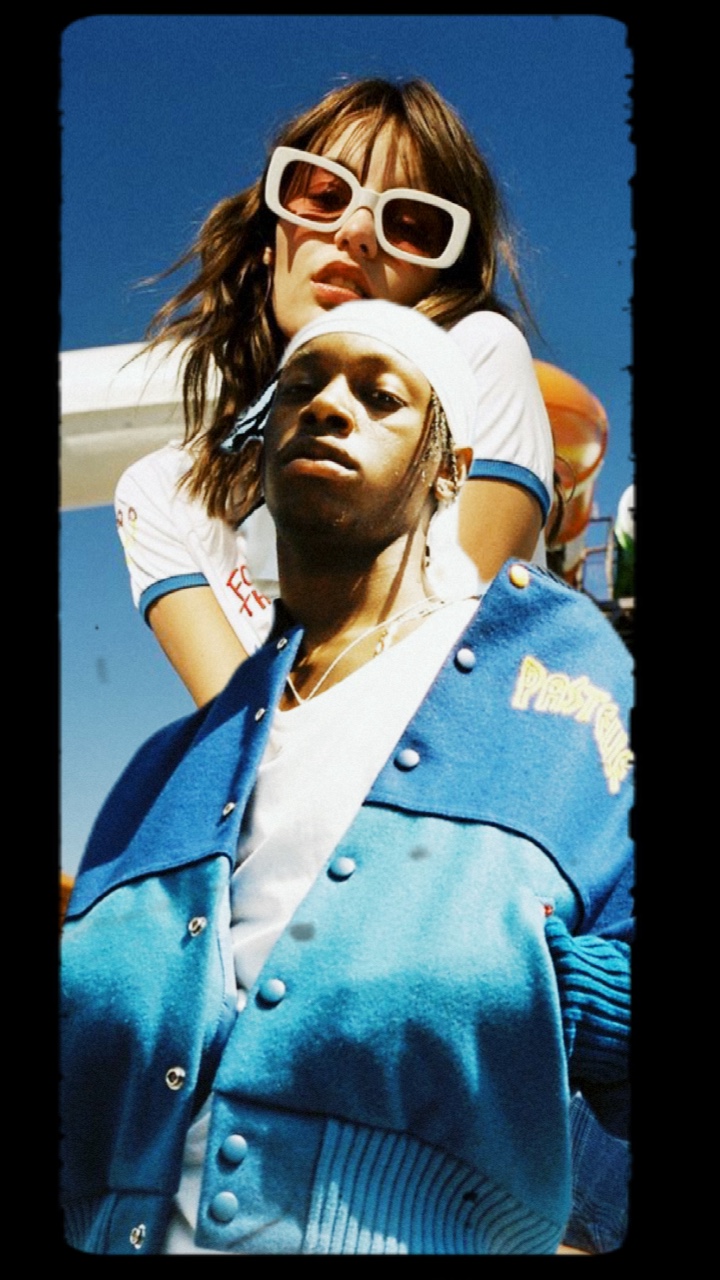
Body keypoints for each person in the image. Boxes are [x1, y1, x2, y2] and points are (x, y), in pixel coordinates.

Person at [62, 300, 632, 1255]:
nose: (329, 407)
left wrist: (543, 995)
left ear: (452, 469)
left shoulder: (560, 678)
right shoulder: (166, 770)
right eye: (302, 388)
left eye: (380, 396)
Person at [114, 75, 556, 707]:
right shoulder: (161, 494)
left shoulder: (479, 356)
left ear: (439, 273)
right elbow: (238, 737)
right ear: (270, 240)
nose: (357, 231)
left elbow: (444, 674)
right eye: (323, 195)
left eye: (411, 224)